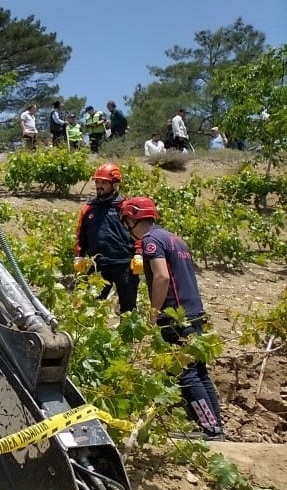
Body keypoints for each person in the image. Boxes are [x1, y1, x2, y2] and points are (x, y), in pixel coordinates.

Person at [120, 196, 224, 440]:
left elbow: (162, 277)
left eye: (126, 221)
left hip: (175, 317)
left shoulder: (150, 241)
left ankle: (209, 429)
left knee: (185, 373)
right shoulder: (175, 239)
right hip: (194, 313)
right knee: (199, 372)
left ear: (132, 219)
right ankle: (215, 427)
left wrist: (153, 314)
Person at [73, 163, 138, 312]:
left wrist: (139, 254)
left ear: (115, 184)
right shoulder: (88, 208)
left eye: (103, 182)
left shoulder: (126, 207)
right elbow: (80, 236)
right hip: (98, 266)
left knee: (128, 308)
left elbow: (139, 234)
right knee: (91, 306)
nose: (99, 186)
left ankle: (126, 335)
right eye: (97, 182)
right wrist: (79, 256)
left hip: (124, 265)